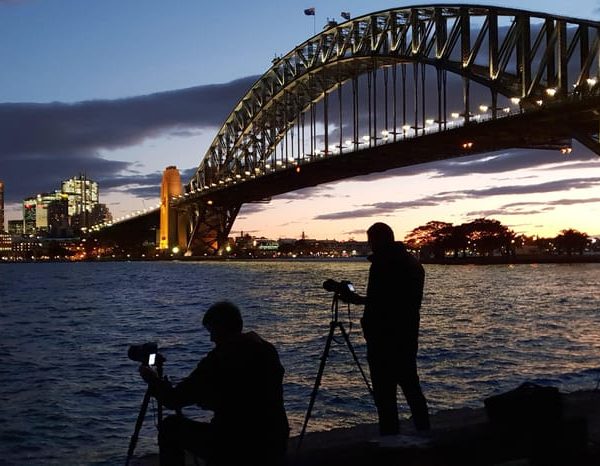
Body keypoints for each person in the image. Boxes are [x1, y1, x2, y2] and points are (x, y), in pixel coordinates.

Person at [139, 301, 289, 466]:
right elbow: (245, 397)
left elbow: (174, 399)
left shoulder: (219, 359)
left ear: (221, 329)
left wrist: (152, 380)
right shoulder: (266, 349)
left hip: (235, 444)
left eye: (212, 331)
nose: (211, 338)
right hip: (274, 440)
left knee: (170, 427)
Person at [341, 222, 430, 435]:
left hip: (384, 337)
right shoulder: (411, 262)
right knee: (411, 386)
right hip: (406, 333)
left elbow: (381, 301)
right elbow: (394, 300)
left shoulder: (385, 263)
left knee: (384, 393)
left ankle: (390, 436)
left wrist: (355, 299)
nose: (371, 246)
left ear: (378, 240)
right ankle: (425, 432)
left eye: (371, 241)